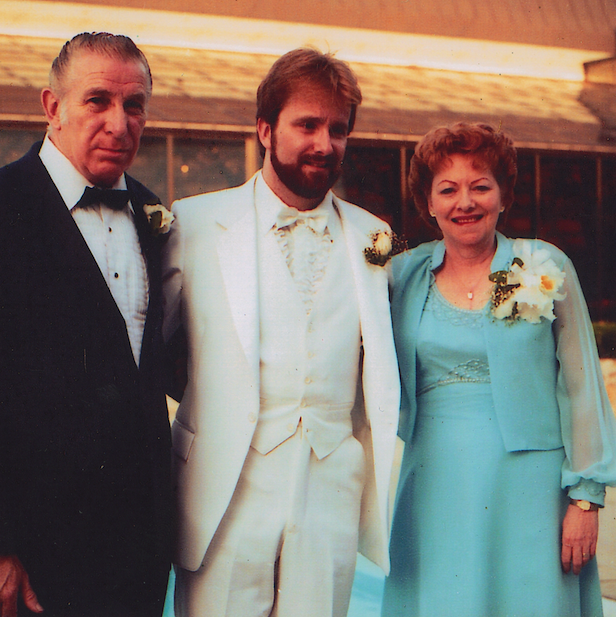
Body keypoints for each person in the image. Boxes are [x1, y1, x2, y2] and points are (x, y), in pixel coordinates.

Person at [0, 32, 174, 617]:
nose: (120, 123)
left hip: (139, 554)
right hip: (32, 556)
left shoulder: (155, 214)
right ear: (52, 107)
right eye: (98, 101)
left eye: (135, 105)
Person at [162, 47, 400, 617]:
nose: (324, 143)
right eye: (307, 124)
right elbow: (157, 354)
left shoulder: (375, 238)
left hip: (330, 494)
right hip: (223, 491)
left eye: (338, 129)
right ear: (266, 129)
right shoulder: (195, 224)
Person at [383, 122, 616, 617]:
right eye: (447, 189)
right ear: (428, 203)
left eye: (480, 186)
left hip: (529, 489)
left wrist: (585, 499)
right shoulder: (402, 274)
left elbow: (582, 388)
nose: (465, 202)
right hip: (434, 485)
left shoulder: (544, 265)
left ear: (503, 195)